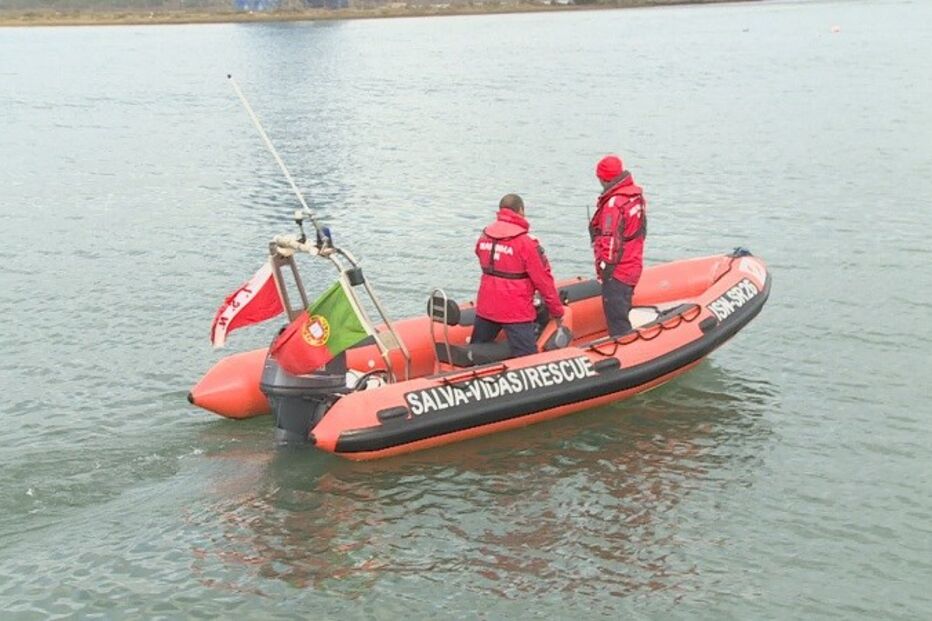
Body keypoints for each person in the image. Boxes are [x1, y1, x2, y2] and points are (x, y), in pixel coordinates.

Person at [472, 194, 564, 357]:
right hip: (516, 310)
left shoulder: (484, 235)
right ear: (520, 210)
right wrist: (557, 311)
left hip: (487, 306)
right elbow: (544, 281)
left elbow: (480, 255)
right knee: (528, 359)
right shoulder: (526, 242)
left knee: (476, 352)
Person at [589, 154, 647, 336]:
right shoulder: (635, 197)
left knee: (617, 318)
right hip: (633, 263)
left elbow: (610, 240)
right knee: (624, 306)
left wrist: (604, 270)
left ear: (604, 178)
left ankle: (624, 352)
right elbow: (642, 231)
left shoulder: (614, 204)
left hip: (619, 271)